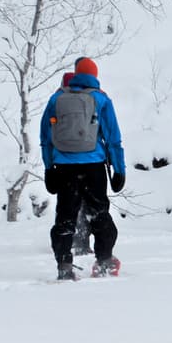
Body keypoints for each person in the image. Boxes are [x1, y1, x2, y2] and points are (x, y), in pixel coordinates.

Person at [40, 57, 125, 280]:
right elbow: (113, 137)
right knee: (99, 213)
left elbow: (46, 138)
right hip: (94, 167)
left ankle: (64, 266)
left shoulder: (57, 98)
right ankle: (105, 260)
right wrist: (119, 169)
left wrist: (49, 168)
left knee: (65, 217)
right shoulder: (100, 99)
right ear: (94, 76)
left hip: (64, 167)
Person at [60, 66, 92, 256]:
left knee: (67, 206)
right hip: (89, 161)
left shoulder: (58, 100)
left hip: (63, 162)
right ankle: (81, 241)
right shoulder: (90, 100)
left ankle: (66, 242)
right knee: (85, 204)